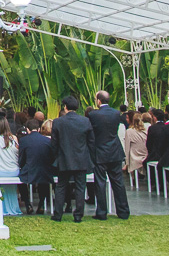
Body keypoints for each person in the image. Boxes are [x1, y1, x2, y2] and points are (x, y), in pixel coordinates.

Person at [50, 95, 94, 223]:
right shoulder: (85, 121)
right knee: (81, 187)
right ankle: (78, 215)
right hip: (81, 159)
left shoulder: (58, 122)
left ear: (65, 107)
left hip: (64, 158)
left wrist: (56, 157)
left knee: (61, 186)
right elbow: (91, 142)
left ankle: (58, 214)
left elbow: (54, 143)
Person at [88, 90, 129, 220]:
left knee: (100, 182)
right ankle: (123, 211)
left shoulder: (93, 115)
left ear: (98, 101)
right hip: (114, 151)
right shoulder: (116, 113)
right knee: (118, 182)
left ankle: (101, 212)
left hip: (100, 151)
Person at [0, 116, 22, 216]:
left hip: (0, 171)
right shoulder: (14, 138)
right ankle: (13, 207)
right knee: (11, 188)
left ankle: (2, 208)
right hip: (14, 171)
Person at [123, 112, 149, 179]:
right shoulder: (146, 131)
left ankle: (133, 175)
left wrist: (127, 163)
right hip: (145, 156)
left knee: (131, 149)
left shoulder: (129, 131)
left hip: (134, 157)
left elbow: (127, 148)